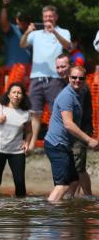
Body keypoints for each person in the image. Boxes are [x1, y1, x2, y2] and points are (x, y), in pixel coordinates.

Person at [19, 5, 71, 150]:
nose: (48, 19)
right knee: (34, 113)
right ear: (42, 18)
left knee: (57, 112)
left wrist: (54, 32)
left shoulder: (63, 31)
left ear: (56, 17)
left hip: (55, 77)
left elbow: (68, 46)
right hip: (36, 77)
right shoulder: (36, 34)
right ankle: (32, 144)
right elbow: (22, 44)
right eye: (46, 16)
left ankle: (58, 142)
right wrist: (27, 32)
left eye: (51, 16)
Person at [44, 66, 98, 202]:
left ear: (85, 80)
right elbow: (68, 124)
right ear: (69, 78)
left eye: (81, 78)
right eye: (74, 77)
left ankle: (66, 208)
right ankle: (50, 212)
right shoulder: (67, 96)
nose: (77, 80)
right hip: (56, 145)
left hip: (65, 145)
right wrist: (89, 139)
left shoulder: (81, 92)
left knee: (74, 180)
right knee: (62, 185)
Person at [0, 83, 32, 197]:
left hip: (17, 151)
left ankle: (21, 209)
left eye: (19, 93)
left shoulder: (25, 113)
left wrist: (27, 143)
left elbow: (29, 131)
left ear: (23, 96)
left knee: (20, 183)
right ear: (8, 94)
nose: (16, 95)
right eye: (14, 92)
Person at [55, 54, 93, 196]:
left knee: (78, 167)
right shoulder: (62, 82)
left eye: (63, 66)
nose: (60, 70)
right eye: (58, 67)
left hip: (80, 130)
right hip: (68, 131)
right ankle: (77, 198)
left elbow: (78, 113)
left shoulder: (80, 85)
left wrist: (86, 137)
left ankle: (81, 197)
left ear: (70, 66)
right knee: (74, 166)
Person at [0, 0, 32, 71]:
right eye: (21, 19)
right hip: (11, 70)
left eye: (25, 19)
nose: (23, 21)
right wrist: (4, 6)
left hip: (28, 71)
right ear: (17, 20)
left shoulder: (33, 33)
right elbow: (3, 22)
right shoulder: (12, 30)